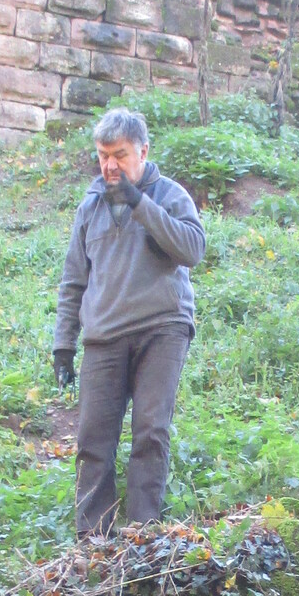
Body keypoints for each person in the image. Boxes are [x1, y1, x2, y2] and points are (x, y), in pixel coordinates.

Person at [53, 107, 205, 539]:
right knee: (92, 441)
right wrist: (63, 344)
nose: (109, 165)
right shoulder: (90, 206)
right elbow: (74, 279)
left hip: (163, 328)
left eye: (119, 155)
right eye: (103, 155)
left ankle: (143, 537)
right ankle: (92, 543)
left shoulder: (170, 195)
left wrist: (140, 204)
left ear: (143, 151)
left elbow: (192, 249)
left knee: (150, 431)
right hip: (104, 336)